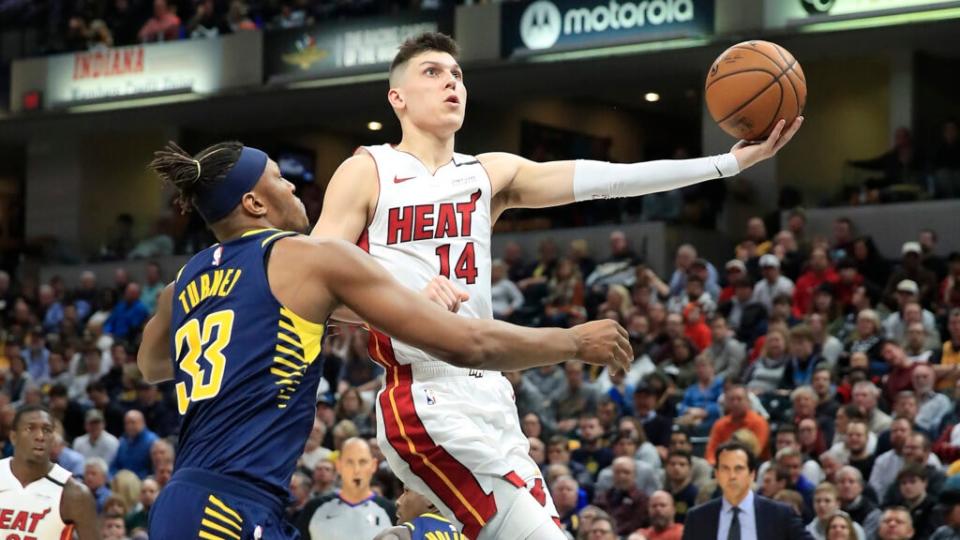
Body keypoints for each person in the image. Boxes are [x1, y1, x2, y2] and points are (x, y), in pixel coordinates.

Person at [311, 31, 801, 540]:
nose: (450, 82)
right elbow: (313, 291)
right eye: (432, 73)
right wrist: (402, 307)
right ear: (398, 97)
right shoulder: (368, 169)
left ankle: (422, 528)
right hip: (423, 395)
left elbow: (612, 178)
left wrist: (727, 163)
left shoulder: (488, 174)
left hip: (494, 396)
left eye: (456, 74)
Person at [139, 141, 630, 540]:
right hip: (228, 509)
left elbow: (152, 364)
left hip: (188, 497)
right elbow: (467, 345)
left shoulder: (180, 284)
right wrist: (570, 341)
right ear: (254, 202)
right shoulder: (309, 258)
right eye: (278, 176)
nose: (293, 184)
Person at [0, 405, 98, 539]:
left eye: (46, 430)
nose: (40, 436)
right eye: (30, 428)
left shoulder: (74, 494)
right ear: (13, 437)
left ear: (53, 439)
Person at [680, 440, 811, 540]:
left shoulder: (780, 514)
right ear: (717, 475)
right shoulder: (697, 518)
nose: (732, 476)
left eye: (739, 469)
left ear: (752, 474)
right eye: (725, 469)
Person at [297, 438, 396, 539]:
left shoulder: (390, 511)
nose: (356, 470)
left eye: (362, 462)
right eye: (349, 462)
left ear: (373, 465)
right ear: (339, 465)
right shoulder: (314, 508)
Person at [373, 485, 465, 540]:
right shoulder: (472, 534)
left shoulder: (399, 534)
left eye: (406, 491)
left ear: (430, 498)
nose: (398, 501)